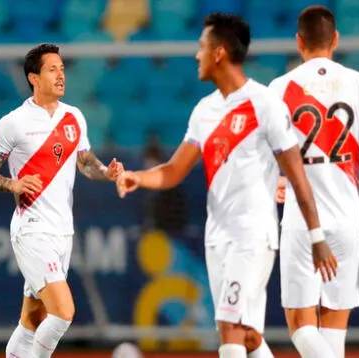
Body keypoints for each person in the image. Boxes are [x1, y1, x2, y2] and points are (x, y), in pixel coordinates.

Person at [116, 13, 337, 358]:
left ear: (219, 53)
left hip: (252, 235)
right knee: (246, 334)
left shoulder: (265, 104)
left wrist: (316, 237)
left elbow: (296, 174)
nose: (196, 55)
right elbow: (174, 170)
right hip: (216, 237)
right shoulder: (204, 110)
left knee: (229, 328)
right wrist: (137, 177)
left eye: (201, 47)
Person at [269, 6, 359, 357]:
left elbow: (266, 154)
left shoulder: (279, 88)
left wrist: (273, 179)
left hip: (302, 221)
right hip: (348, 218)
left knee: (301, 328)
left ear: (298, 41)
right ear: (335, 40)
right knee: (333, 334)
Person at [0, 43, 123, 358]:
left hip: (62, 232)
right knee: (63, 312)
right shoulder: (13, 122)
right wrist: (12, 183)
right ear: (33, 77)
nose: (60, 75)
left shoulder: (74, 117)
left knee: (33, 319)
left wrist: (105, 172)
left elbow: (85, 162)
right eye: (52, 69)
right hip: (32, 229)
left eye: (62, 69)